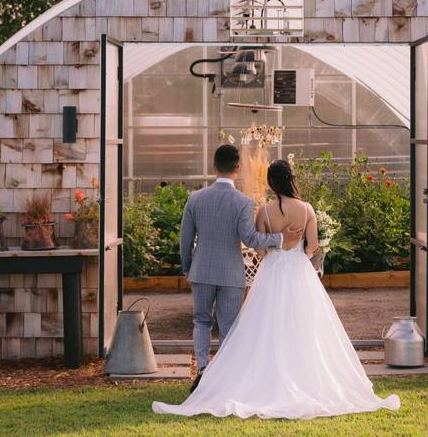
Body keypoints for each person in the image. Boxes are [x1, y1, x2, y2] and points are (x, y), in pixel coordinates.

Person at [153, 158, 401, 419]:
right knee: (305, 326)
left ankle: (218, 373)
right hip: (298, 271)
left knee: (261, 327)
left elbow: (258, 248)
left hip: (271, 272)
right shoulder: (307, 209)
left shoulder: (264, 211)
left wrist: (275, 248)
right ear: (291, 179)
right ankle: (303, 377)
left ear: (271, 182)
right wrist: (299, 251)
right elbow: (313, 245)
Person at [174, 144, 304, 393]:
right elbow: (252, 238)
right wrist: (280, 238)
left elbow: (185, 239)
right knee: (229, 326)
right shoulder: (243, 202)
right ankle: (223, 376)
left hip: (201, 270)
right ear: (238, 168)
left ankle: (202, 369)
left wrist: (187, 268)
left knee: (201, 320)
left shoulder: (195, 199)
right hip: (231, 273)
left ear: (214, 167)